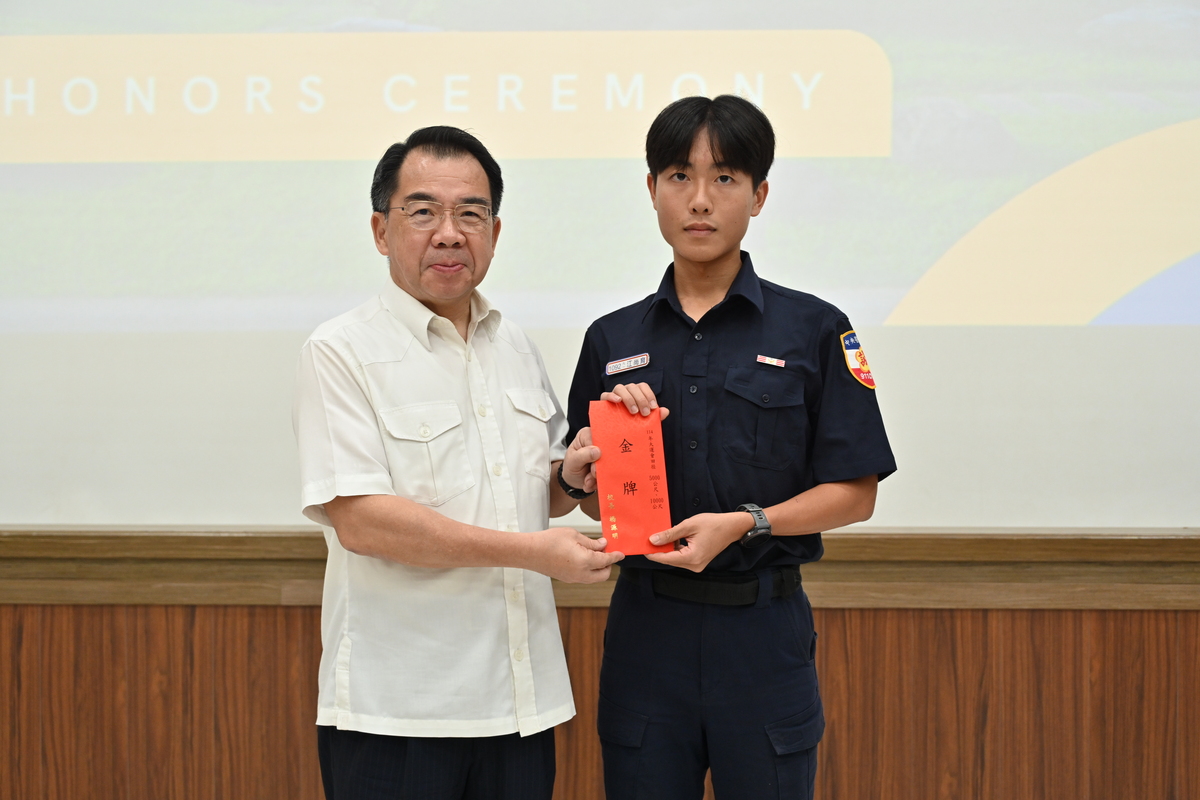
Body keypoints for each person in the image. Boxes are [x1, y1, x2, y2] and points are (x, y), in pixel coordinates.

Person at [560, 96, 897, 799]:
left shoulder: (815, 329)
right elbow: (589, 496)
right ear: (652, 189)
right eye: (680, 176)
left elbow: (856, 493)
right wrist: (584, 472)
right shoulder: (611, 339)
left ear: (759, 195)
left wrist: (747, 522)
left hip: (763, 632)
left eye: (725, 178)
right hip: (647, 628)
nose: (700, 200)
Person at [292, 125, 622, 800]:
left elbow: (536, 487)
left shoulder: (514, 344)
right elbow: (362, 522)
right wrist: (533, 552)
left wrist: (570, 477)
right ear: (381, 230)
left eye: (470, 214)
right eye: (423, 212)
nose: (449, 234)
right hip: (399, 713)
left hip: (521, 705)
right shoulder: (340, 351)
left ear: (494, 233)